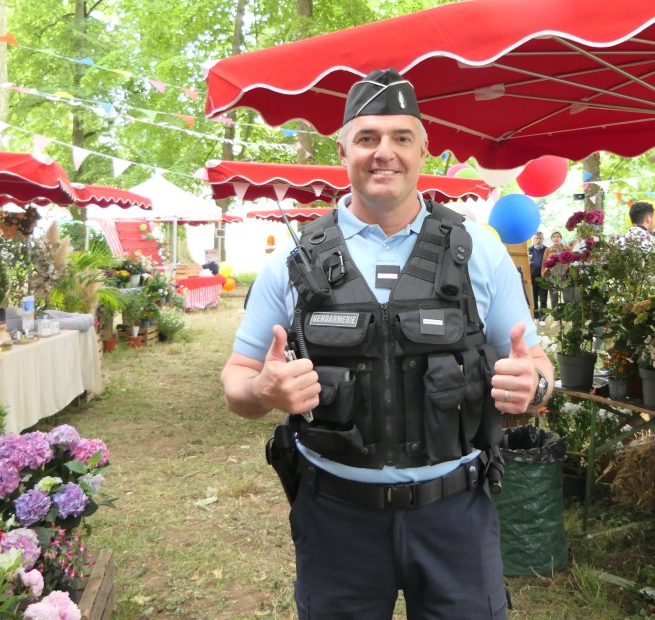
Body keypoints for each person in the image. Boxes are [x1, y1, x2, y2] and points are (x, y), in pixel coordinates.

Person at [220, 67, 553, 619]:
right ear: (343, 148)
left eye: (401, 138)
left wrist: (534, 385)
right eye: (368, 138)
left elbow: (538, 367)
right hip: (336, 522)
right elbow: (236, 380)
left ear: (424, 150)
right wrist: (261, 388)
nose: (385, 153)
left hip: (455, 517)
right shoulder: (294, 260)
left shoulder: (480, 251)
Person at [528, 231, 548, 318]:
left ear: (543, 239)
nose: (538, 240)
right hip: (532, 278)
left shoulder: (547, 250)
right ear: (534, 239)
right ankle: (535, 317)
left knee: (543, 299)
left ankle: (542, 318)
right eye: (537, 238)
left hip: (543, 278)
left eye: (540, 238)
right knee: (534, 298)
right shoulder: (529, 250)